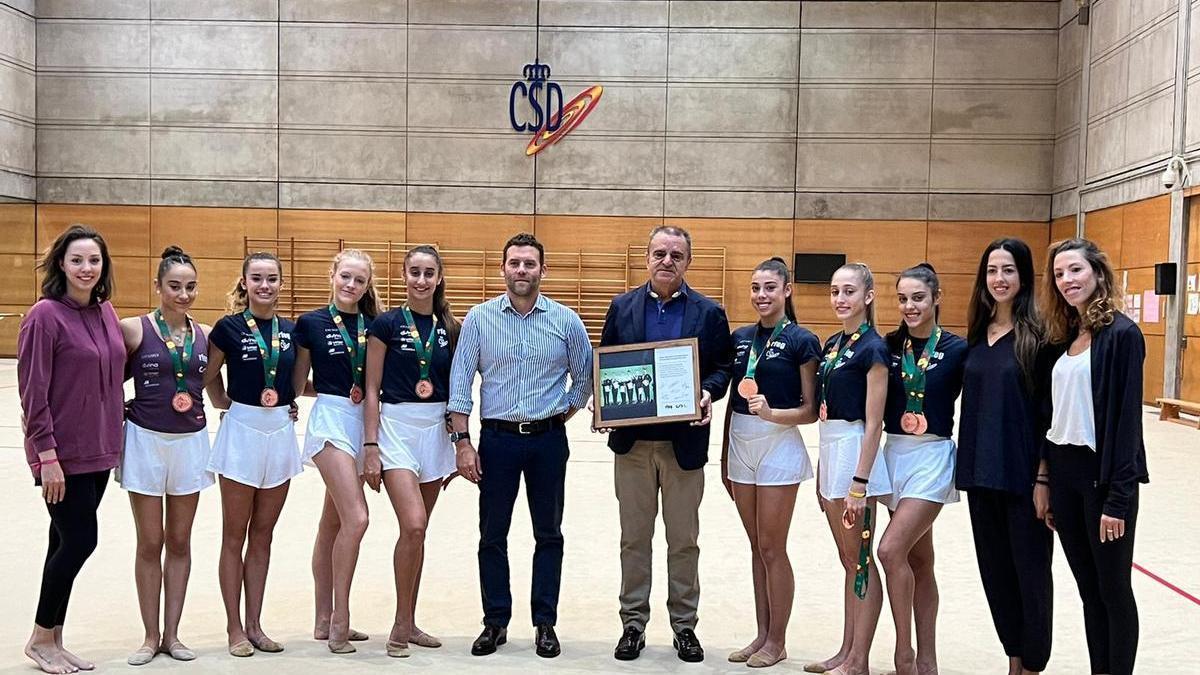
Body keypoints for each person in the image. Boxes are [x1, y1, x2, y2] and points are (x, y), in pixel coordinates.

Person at [447, 233, 592, 659]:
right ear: (503, 268)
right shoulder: (478, 318)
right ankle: (495, 622)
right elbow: (460, 383)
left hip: (548, 441)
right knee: (492, 534)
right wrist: (462, 442)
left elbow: (583, 381)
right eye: (515, 263)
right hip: (496, 442)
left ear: (543, 270)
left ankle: (545, 622)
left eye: (530, 263)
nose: (522, 270)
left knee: (549, 533)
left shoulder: (567, 320)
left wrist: (555, 417)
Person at [598, 225, 733, 663]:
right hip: (634, 446)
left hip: (684, 447)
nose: (667, 261)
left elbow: (721, 368)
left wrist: (708, 392)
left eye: (676, 254)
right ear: (647, 257)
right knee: (633, 539)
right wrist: (607, 408)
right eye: (660, 253)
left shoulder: (709, 313)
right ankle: (633, 623)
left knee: (683, 540)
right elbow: (609, 364)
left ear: (688, 261)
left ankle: (684, 627)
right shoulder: (622, 307)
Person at [19, 225, 125, 675]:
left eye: (94, 261)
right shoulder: (44, 316)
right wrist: (46, 457)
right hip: (61, 455)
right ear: (61, 263)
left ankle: (54, 638)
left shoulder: (105, 312)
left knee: (61, 540)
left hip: (99, 448)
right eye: (77, 260)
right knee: (82, 539)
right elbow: (32, 391)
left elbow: (111, 374)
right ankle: (41, 636)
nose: (87, 268)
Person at [1041, 238, 1148, 675]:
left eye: (1076, 271)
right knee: (1089, 591)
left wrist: (1117, 499)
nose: (1067, 280)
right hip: (1064, 478)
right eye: (1060, 274)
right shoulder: (1064, 338)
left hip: (1101, 479)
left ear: (1098, 274)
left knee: (1114, 590)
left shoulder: (1123, 335)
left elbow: (1126, 426)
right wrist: (1046, 481)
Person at [957, 238, 1052, 675]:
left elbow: (1048, 417)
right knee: (995, 576)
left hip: (1023, 481)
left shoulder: (1040, 339)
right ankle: (1013, 658)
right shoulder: (976, 337)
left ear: (1024, 277)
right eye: (993, 270)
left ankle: (1032, 664)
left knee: (1030, 577)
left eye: (1009, 270)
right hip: (980, 476)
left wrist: (1043, 478)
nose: (999, 279)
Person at [720, 257, 820, 668]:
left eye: (770, 288)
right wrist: (724, 452)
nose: (762, 295)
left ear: (787, 290)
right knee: (754, 546)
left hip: (778, 441)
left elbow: (811, 409)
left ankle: (778, 640)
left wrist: (773, 414)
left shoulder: (802, 340)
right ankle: (761, 634)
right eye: (756, 288)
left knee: (771, 546)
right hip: (741, 442)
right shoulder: (740, 338)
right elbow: (731, 399)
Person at [117, 246, 213, 666]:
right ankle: (148, 635)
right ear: (156, 286)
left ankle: (172, 635)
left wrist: (282, 403)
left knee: (179, 540)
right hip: (144, 442)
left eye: (190, 287)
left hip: (190, 443)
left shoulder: (207, 335)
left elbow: (214, 389)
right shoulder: (133, 331)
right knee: (149, 541)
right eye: (174, 286)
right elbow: (104, 379)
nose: (183, 294)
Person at [363, 245, 460, 657]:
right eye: (414, 272)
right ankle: (399, 626)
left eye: (429, 273)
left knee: (417, 534)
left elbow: (459, 390)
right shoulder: (384, 325)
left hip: (435, 431)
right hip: (397, 429)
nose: (421, 280)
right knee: (414, 524)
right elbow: (371, 389)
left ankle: (410, 619)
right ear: (403, 275)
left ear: (439, 278)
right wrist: (370, 444)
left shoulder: (452, 327)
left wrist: (460, 442)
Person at [204, 252, 300, 657]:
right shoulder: (227, 328)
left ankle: (256, 624)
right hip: (242, 430)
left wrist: (291, 401)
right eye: (257, 278)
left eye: (272, 278)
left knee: (263, 535)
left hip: (279, 431)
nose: (265, 285)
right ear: (244, 282)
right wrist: (227, 403)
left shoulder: (292, 330)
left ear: (281, 283)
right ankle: (233, 627)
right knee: (234, 534)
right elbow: (208, 378)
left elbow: (296, 382)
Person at [877, 263, 967, 675]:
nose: (910, 306)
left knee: (890, 550)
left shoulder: (957, 348)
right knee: (919, 560)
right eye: (903, 299)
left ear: (936, 298)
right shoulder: (887, 346)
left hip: (932, 457)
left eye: (918, 298)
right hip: (893, 453)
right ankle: (929, 655)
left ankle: (905, 655)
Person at [291, 249, 382, 653]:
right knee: (357, 518)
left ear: (367, 285)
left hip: (364, 423)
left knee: (333, 523)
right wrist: (329, 392)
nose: (351, 285)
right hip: (330, 421)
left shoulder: (377, 324)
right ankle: (340, 619)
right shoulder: (310, 323)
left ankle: (322, 618)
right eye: (345, 276)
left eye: (359, 280)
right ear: (332, 274)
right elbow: (296, 384)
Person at [808, 262, 891, 675]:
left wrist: (859, 481)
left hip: (855, 453)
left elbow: (874, 423)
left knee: (860, 558)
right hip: (830, 449)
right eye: (835, 291)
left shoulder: (874, 348)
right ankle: (846, 649)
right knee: (847, 558)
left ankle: (860, 659)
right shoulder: (832, 344)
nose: (840, 299)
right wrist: (824, 469)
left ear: (868, 296)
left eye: (849, 292)